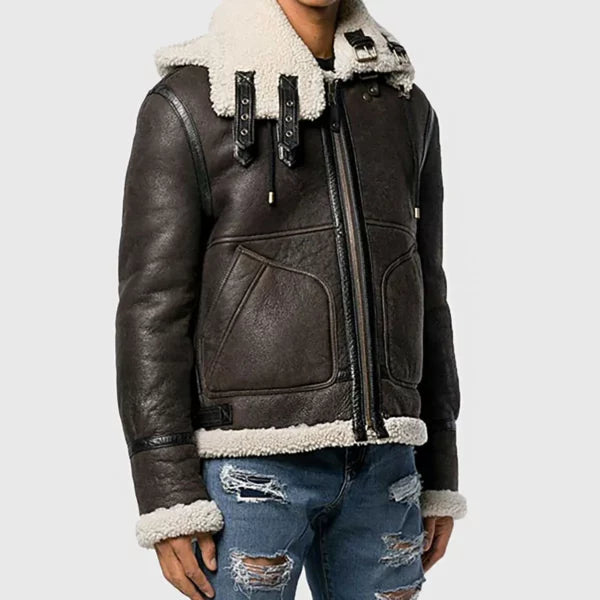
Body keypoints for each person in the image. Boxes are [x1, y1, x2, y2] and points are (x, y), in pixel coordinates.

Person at [116, 0, 466, 598]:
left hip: (387, 468)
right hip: (249, 469)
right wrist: (167, 490)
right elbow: (152, 307)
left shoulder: (404, 107)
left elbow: (425, 290)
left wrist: (439, 468)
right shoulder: (191, 103)